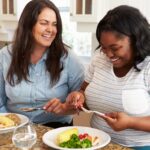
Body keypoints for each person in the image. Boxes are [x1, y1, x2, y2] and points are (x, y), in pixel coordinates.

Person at [66, 5, 150, 150]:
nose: (109, 55)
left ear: (136, 40)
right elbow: (84, 91)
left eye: (115, 48)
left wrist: (130, 122)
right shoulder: (99, 58)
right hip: (96, 142)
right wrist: (79, 96)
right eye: (103, 47)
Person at [0, 0, 84, 128]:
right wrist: (8, 124)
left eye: (54, 24)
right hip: (13, 127)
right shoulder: (5, 56)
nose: (51, 30)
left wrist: (66, 107)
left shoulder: (69, 58)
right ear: (28, 25)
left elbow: (81, 102)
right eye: (44, 23)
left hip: (55, 129)